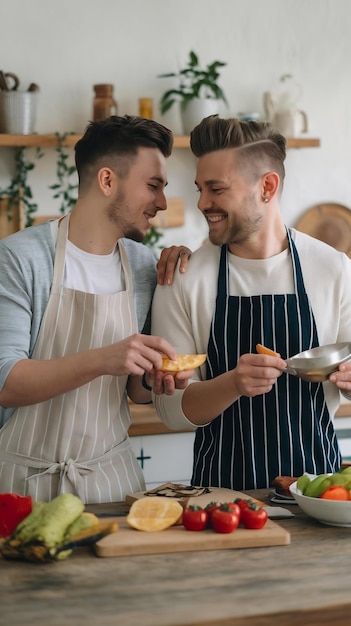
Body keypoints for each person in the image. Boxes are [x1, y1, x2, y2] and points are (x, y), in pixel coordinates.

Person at [151, 114, 351, 491]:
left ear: (267, 187)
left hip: (320, 492)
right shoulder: (183, 277)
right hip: (222, 500)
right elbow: (171, 412)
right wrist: (232, 384)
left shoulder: (333, 268)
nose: (202, 203)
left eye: (216, 189)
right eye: (199, 189)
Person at [0, 115, 192, 503]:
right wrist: (106, 358)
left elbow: (136, 392)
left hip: (112, 481)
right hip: (23, 485)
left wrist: (158, 378)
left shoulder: (142, 266)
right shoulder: (21, 258)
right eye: (152, 186)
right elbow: (6, 381)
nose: (161, 203)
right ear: (107, 181)